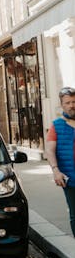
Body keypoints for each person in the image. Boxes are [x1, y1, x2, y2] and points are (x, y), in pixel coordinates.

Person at [45, 86, 75, 237]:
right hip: (70, 179)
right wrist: (56, 171)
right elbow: (49, 150)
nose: (72, 105)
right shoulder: (56, 125)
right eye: (68, 102)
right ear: (62, 105)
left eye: (74, 102)